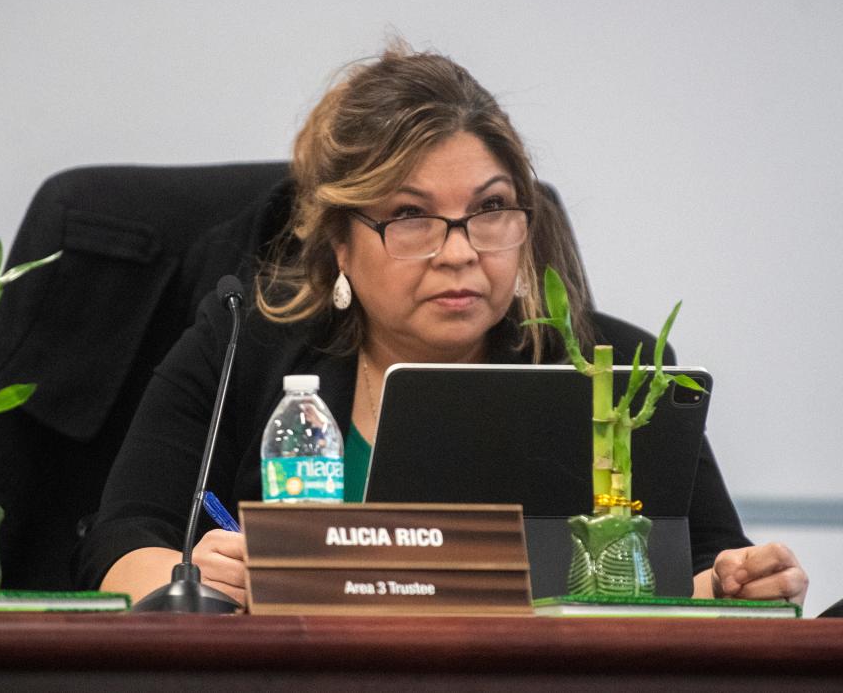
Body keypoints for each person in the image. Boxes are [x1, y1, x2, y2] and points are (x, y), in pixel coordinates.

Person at [75, 45, 808, 608]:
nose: (459, 252)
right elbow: (121, 540)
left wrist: (746, 582)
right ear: (338, 242)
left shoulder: (610, 367)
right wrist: (190, 581)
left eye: (490, 211)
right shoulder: (243, 345)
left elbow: (712, 564)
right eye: (411, 217)